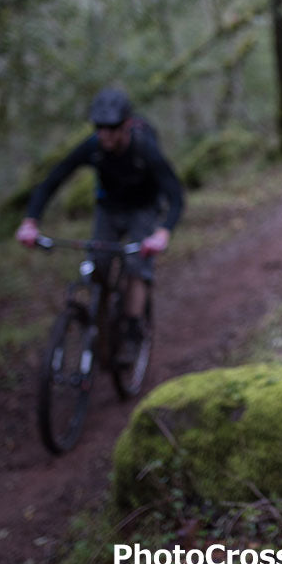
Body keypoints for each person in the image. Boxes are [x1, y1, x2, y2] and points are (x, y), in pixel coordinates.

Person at [16, 87, 184, 362]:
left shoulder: (145, 147)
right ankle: (103, 331)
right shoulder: (92, 146)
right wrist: (30, 222)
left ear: (126, 125)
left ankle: (132, 331)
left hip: (143, 209)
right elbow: (51, 181)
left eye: (112, 128)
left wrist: (163, 232)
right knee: (98, 267)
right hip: (108, 209)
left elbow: (175, 196)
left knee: (135, 266)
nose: (105, 134)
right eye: (99, 127)